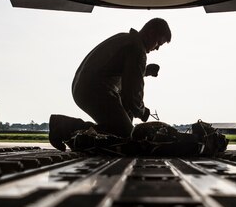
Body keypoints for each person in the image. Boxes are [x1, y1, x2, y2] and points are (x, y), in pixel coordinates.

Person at [49, 18, 172, 151]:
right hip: (95, 90)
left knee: (122, 129)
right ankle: (64, 126)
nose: (157, 48)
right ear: (151, 33)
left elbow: (116, 70)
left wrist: (144, 71)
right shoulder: (137, 49)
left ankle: (67, 128)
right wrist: (142, 112)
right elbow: (132, 95)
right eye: (158, 43)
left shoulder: (126, 39)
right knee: (125, 134)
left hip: (83, 87)